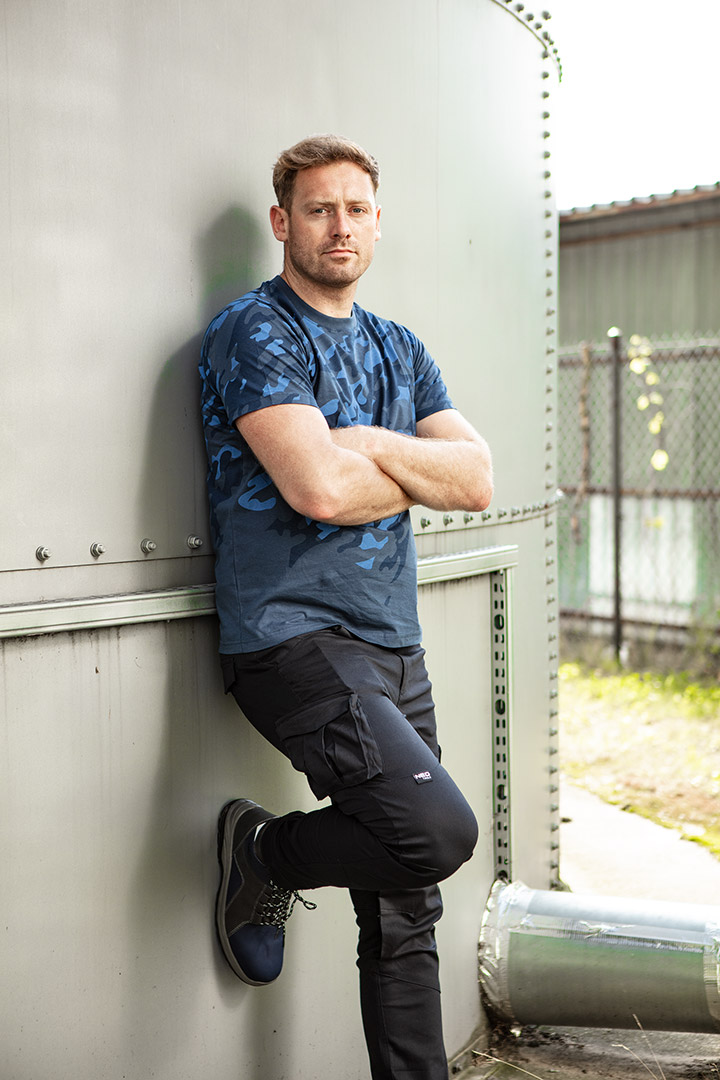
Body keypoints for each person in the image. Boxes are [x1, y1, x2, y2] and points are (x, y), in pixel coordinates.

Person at [199, 134, 493, 1080]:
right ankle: (268, 853)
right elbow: (318, 489)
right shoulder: (257, 332)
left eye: (356, 209)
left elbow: (476, 479)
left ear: (376, 222)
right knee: (436, 833)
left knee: (408, 904)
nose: (340, 226)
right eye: (319, 209)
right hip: (291, 640)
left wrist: (364, 440)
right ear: (282, 223)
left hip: (393, 640)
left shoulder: (400, 347)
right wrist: (407, 470)